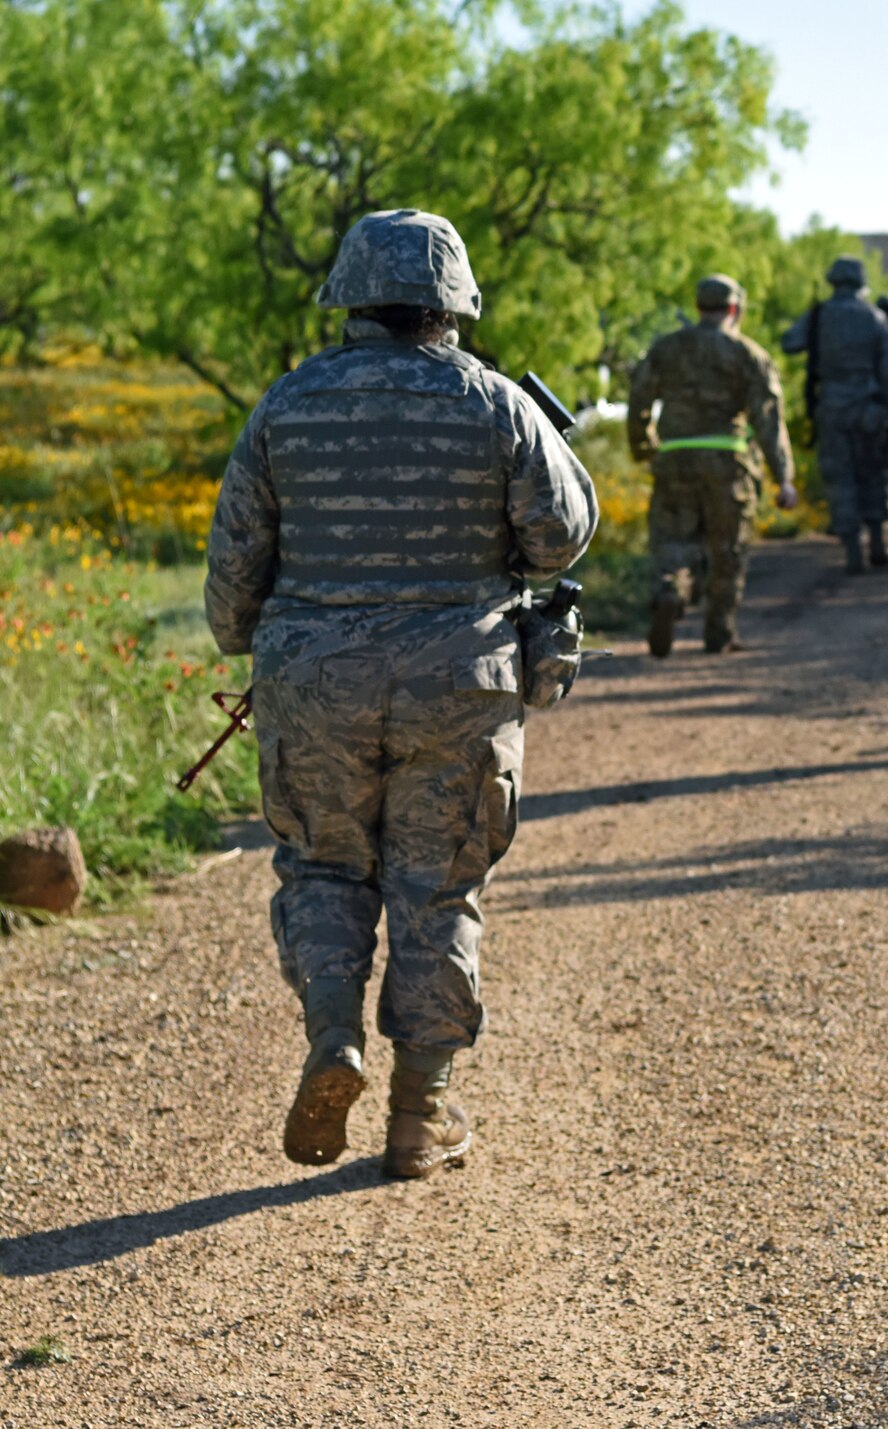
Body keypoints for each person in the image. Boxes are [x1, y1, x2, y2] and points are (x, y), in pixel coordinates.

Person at [204, 209, 598, 1180]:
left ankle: (334, 1035)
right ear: (451, 301)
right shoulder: (495, 403)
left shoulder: (286, 405)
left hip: (312, 682)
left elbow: (231, 577)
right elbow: (560, 539)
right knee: (437, 888)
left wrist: (260, 642)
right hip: (455, 684)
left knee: (325, 869)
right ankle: (419, 1115)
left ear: (348, 295)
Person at [627, 274, 798, 656]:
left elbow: (639, 395)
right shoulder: (748, 355)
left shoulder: (667, 348)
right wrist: (783, 477)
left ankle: (670, 590)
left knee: (673, 542)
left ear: (699, 307)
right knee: (727, 551)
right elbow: (769, 419)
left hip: (675, 459)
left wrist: (644, 446)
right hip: (728, 462)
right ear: (735, 309)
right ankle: (719, 634)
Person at [781, 256, 888, 573]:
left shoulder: (819, 315)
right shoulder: (874, 316)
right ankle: (877, 542)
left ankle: (852, 551)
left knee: (841, 477)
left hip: (832, 406)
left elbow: (790, 343)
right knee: (872, 473)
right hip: (870, 408)